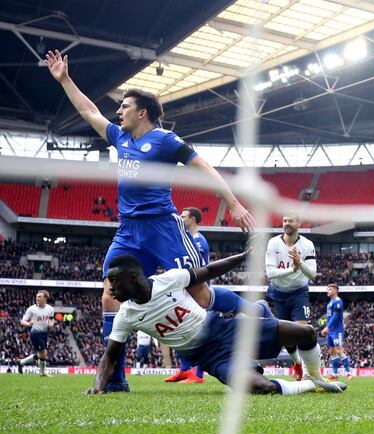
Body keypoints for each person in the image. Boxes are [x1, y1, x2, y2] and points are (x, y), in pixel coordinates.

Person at [45, 50, 263, 393]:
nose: (118, 113)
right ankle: (115, 380)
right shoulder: (120, 138)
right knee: (109, 296)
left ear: (142, 112)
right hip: (128, 231)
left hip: (163, 227)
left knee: (199, 295)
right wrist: (64, 80)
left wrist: (232, 202)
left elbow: (203, 168)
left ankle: (255, 312)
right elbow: (89, 111)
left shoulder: (164, 140)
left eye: (124, 108)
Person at [85, 239, 343, 395]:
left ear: (133, 278)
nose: (111, 289)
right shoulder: (126, 316)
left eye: (115, 282)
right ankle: (310, 386)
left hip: (226, 329)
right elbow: (110, 355)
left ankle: (315, 376)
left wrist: (242, 257)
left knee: (307, 332)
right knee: (259, 387)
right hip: (210, 357)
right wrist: (98, 386)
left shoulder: (169, 279)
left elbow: (208, 270)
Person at [265, 213, 317, 380]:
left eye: (290, 221)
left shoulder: (307, 245)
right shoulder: (273, 243)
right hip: (278, 293)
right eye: (284, 221)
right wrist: (292, 269)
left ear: (299, 223)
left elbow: (312, 275)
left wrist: (300, 263)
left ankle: (313, 373)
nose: (286, 223)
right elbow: (270, 273)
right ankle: (297, 363)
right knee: (286, 336)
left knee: (302, 331)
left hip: (299, 292)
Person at [164, 207, 210, 384]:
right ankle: (184, 370)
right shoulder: (185, 239)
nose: (180, 219)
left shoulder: (198, 241)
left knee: (196, 332)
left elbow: (200, 270)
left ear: (193, 219)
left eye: (183, 217)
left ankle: (198, 374)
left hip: (195, 293)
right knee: (176, 328)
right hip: (183, 291)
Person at [18, 290, 55, 376]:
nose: (37, 298)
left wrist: (51, 323)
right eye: (37, 296)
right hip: (35, 334)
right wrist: (28, 324)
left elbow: (52, 318)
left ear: (45, 298)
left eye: (39, 297)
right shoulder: (31, 309)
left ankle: (21, 362)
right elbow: (22, 321)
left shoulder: (50, 309)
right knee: (43, 353)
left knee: (42, 354)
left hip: (45, 333)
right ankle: (42, 373)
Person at [321, 284, 352, 380]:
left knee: (339, 350)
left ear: (335, 290)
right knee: (332, 351)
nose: (328, 291)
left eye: (330, 289)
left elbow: (336, 315)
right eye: (328, 289)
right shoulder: (330, 302)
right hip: (331, 331)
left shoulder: (338, 301)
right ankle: (335, 374)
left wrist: (327, 327)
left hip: (337, 330)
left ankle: (348, 372)